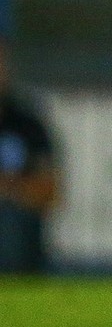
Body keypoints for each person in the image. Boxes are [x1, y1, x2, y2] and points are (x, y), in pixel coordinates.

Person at [0, 39, 58, 274]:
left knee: (10, 219)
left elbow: (50, 191)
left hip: (13, 227)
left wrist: (9, 190)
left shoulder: (27, 125)